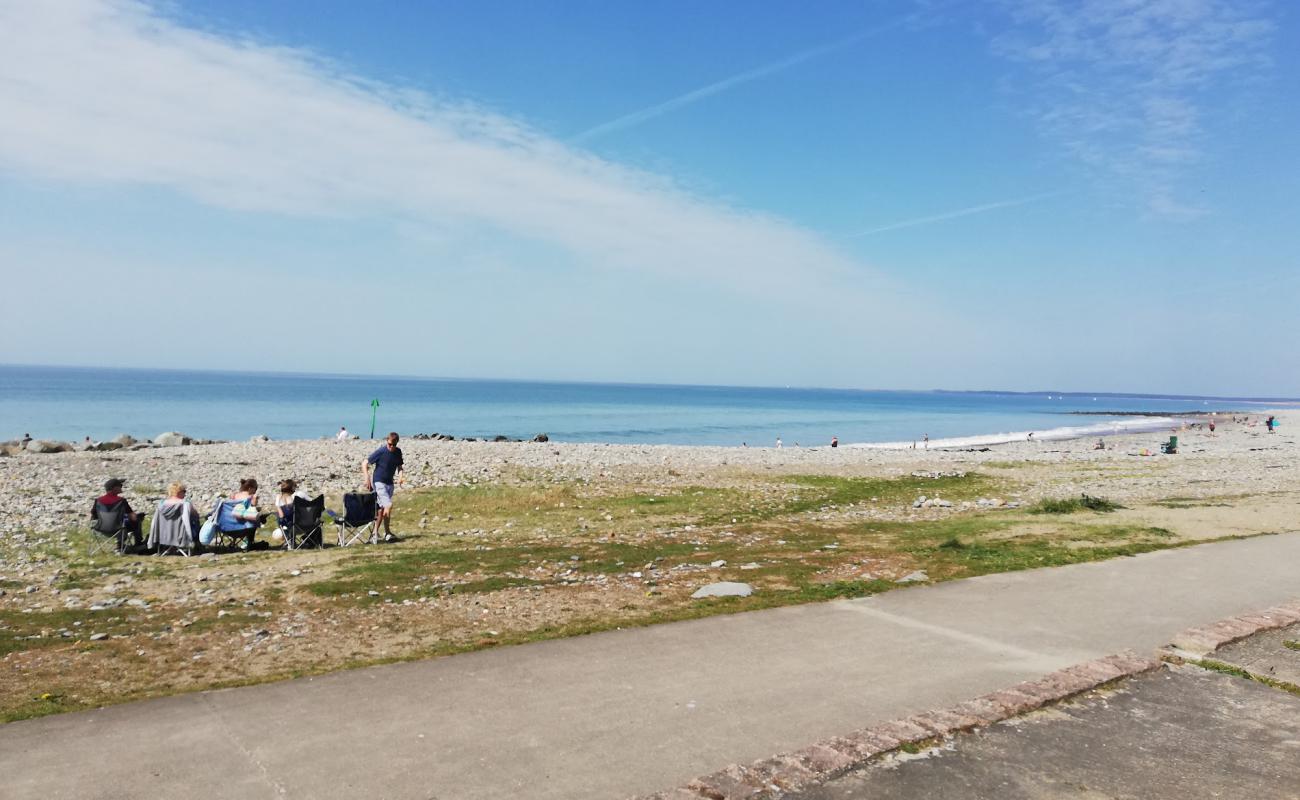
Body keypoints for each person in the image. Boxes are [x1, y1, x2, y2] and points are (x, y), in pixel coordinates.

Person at [363, 432, 404, 543]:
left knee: (382, 510)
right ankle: (386, 533)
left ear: (396, 443)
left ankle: (376, 534)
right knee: (388, 505)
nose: (391, 447)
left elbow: (400, 467)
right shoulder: (381, 451)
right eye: (389, 444)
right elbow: (365, 462)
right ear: (387, 441)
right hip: (378, 482)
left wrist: (400, 477)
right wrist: (367, 477)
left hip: (389, 484)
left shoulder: (398, 452)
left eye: (393, 445)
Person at [90, 478, 143, 550]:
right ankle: (136, 544)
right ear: (115, 488)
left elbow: (94, 516)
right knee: (137, 519)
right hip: (118, 530)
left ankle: (120, 545)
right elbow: (133, 517)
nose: (121, 487)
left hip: (100, 530)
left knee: (122, 522)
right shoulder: (121, 501)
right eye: (120, 485)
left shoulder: (98, 501)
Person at [148, 482, 201, 553]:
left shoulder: (161, 504)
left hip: (163, 536)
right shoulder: (185, 504)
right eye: (184, 491)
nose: (185, 493)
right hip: (181, 537)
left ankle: (167, 549)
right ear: (178, 492)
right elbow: (196, 515)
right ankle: (199, 548)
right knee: (196, 523)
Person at [230, 478, 268, 551]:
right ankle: (249, 542)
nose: (255, 491)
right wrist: (255, 500)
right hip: (244, 527)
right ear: (250, 488)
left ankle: (242, 542)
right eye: (255, 489)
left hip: (231, 525)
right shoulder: (249, 497)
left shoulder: (234, 496)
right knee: (256, 518)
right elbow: (252, 511)